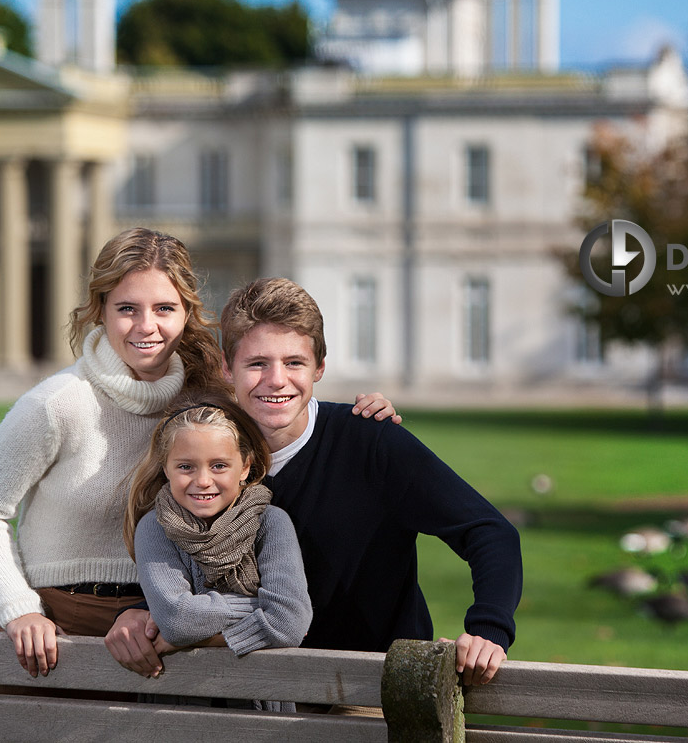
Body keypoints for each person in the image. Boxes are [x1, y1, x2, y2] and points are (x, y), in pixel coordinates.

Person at [0, 228, 396, 684]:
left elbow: (281, 408)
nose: (147, 326)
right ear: (99, 311)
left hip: (166, 626)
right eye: (127, 308)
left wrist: (359, 417)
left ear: (187, 312)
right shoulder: (57, 404)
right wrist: (18, 609)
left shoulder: (209, 402)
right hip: (52, 631)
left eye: (164, 308)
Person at [219, 277, 522, 687]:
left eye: (294, 363)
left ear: (319, 368)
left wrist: (489, 628)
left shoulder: (370, 440)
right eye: (257, 364)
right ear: (226, 367)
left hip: (376, 691)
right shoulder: (206, 456)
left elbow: (488, 531)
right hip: (256, 690)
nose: (277, 380)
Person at [124, 392, 311, 709]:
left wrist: (206, 635)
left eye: (219, 465)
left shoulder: (270, 523)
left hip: (261, 705)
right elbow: (177, 620)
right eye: (186, 466)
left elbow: (290, 622)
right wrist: (259, 607)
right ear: (166, 469)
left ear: (244, 467)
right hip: (178, 706)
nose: (203, 480)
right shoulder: (155, 528)